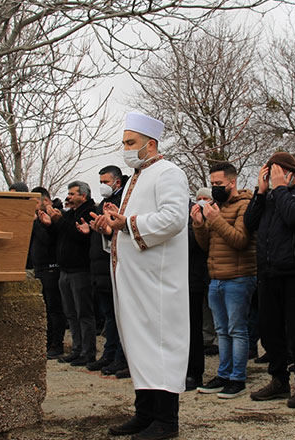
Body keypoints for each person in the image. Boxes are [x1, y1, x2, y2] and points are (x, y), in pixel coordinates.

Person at [92, 112, 189, 440]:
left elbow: (174, 219)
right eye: (123, 143)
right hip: (135, 281)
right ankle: (145, 414)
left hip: (158, 281)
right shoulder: (135, 178)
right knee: (139, 347)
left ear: (151, 144)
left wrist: (128, 224)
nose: (125, 149)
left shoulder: (169, 172)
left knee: (160, 348)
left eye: (130, 143)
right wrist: (110, 226)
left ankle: (166, 422)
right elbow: (128, 223)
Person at [244, 152, 295, 408]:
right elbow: (249, 223)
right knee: (270, 330)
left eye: (276, 173)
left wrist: (279, 190)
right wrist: (260, 192)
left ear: (291, 172)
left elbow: (294, 217)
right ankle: (279, 379)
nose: (273, 178)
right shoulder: (271, 196)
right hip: (268, 271)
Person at [192, 162, 257, 400]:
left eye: (219, 184)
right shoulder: (215, 207)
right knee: (221, 331)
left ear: (232, 182)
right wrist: (199, 225)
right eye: (213, 184)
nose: (215, 188)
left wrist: (216, 219)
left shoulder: (246, 205)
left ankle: (237, 379)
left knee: (237, 330)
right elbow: (206, 244)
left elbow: (240, 240)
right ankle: (223, 374)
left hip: (239, 277)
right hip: (216, 278)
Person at [38, 181, 97, 366]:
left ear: (83, 196)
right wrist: (51, 224)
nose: (68, 197)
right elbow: (61, 235)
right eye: (69, 194)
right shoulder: (70, 214)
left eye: (72, 194)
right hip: (65, 271)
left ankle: (88, 351)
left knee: (83, 313)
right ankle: (77, 349)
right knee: (70, 313)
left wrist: (59, 221)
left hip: (81, 271)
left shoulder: (89, 213)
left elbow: (77, 235)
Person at [86, 166, 129, 374]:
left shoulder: (125, 200)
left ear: (117, 182)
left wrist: (109, 229)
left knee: (120, 317)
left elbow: (123, 231)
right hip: (101, 270)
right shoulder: (104, 203)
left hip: (118, 267)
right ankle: (109, 355)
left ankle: (122, 358)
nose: (103, 186)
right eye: (101, 182)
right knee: (109, 316)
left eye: (105, 182)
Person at [29, 186, 65, 359]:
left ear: (46, 201)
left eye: (35, 202)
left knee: (54, 309)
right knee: (46, 309)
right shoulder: (36, 219)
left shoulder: (54, 217)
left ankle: (56, 344)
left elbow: (48, 240)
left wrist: (37, 223)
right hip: (40, 268)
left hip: (52, 268)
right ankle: (48, 341)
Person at [186, 194, 210, 391]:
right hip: (169, 279)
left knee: (192, 329)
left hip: (192, 278)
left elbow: (197, 242)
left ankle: (194, 373)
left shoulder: (194, 210)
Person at [195, 187, 218, 355]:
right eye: (199, 197)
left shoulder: (216, 214)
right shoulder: (194, 215)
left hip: (214, 266)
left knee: (214, 307)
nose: (202, 200)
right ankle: (206, 337)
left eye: (205, 197)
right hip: (199, 268)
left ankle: (215, 340)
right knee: (204, 307)